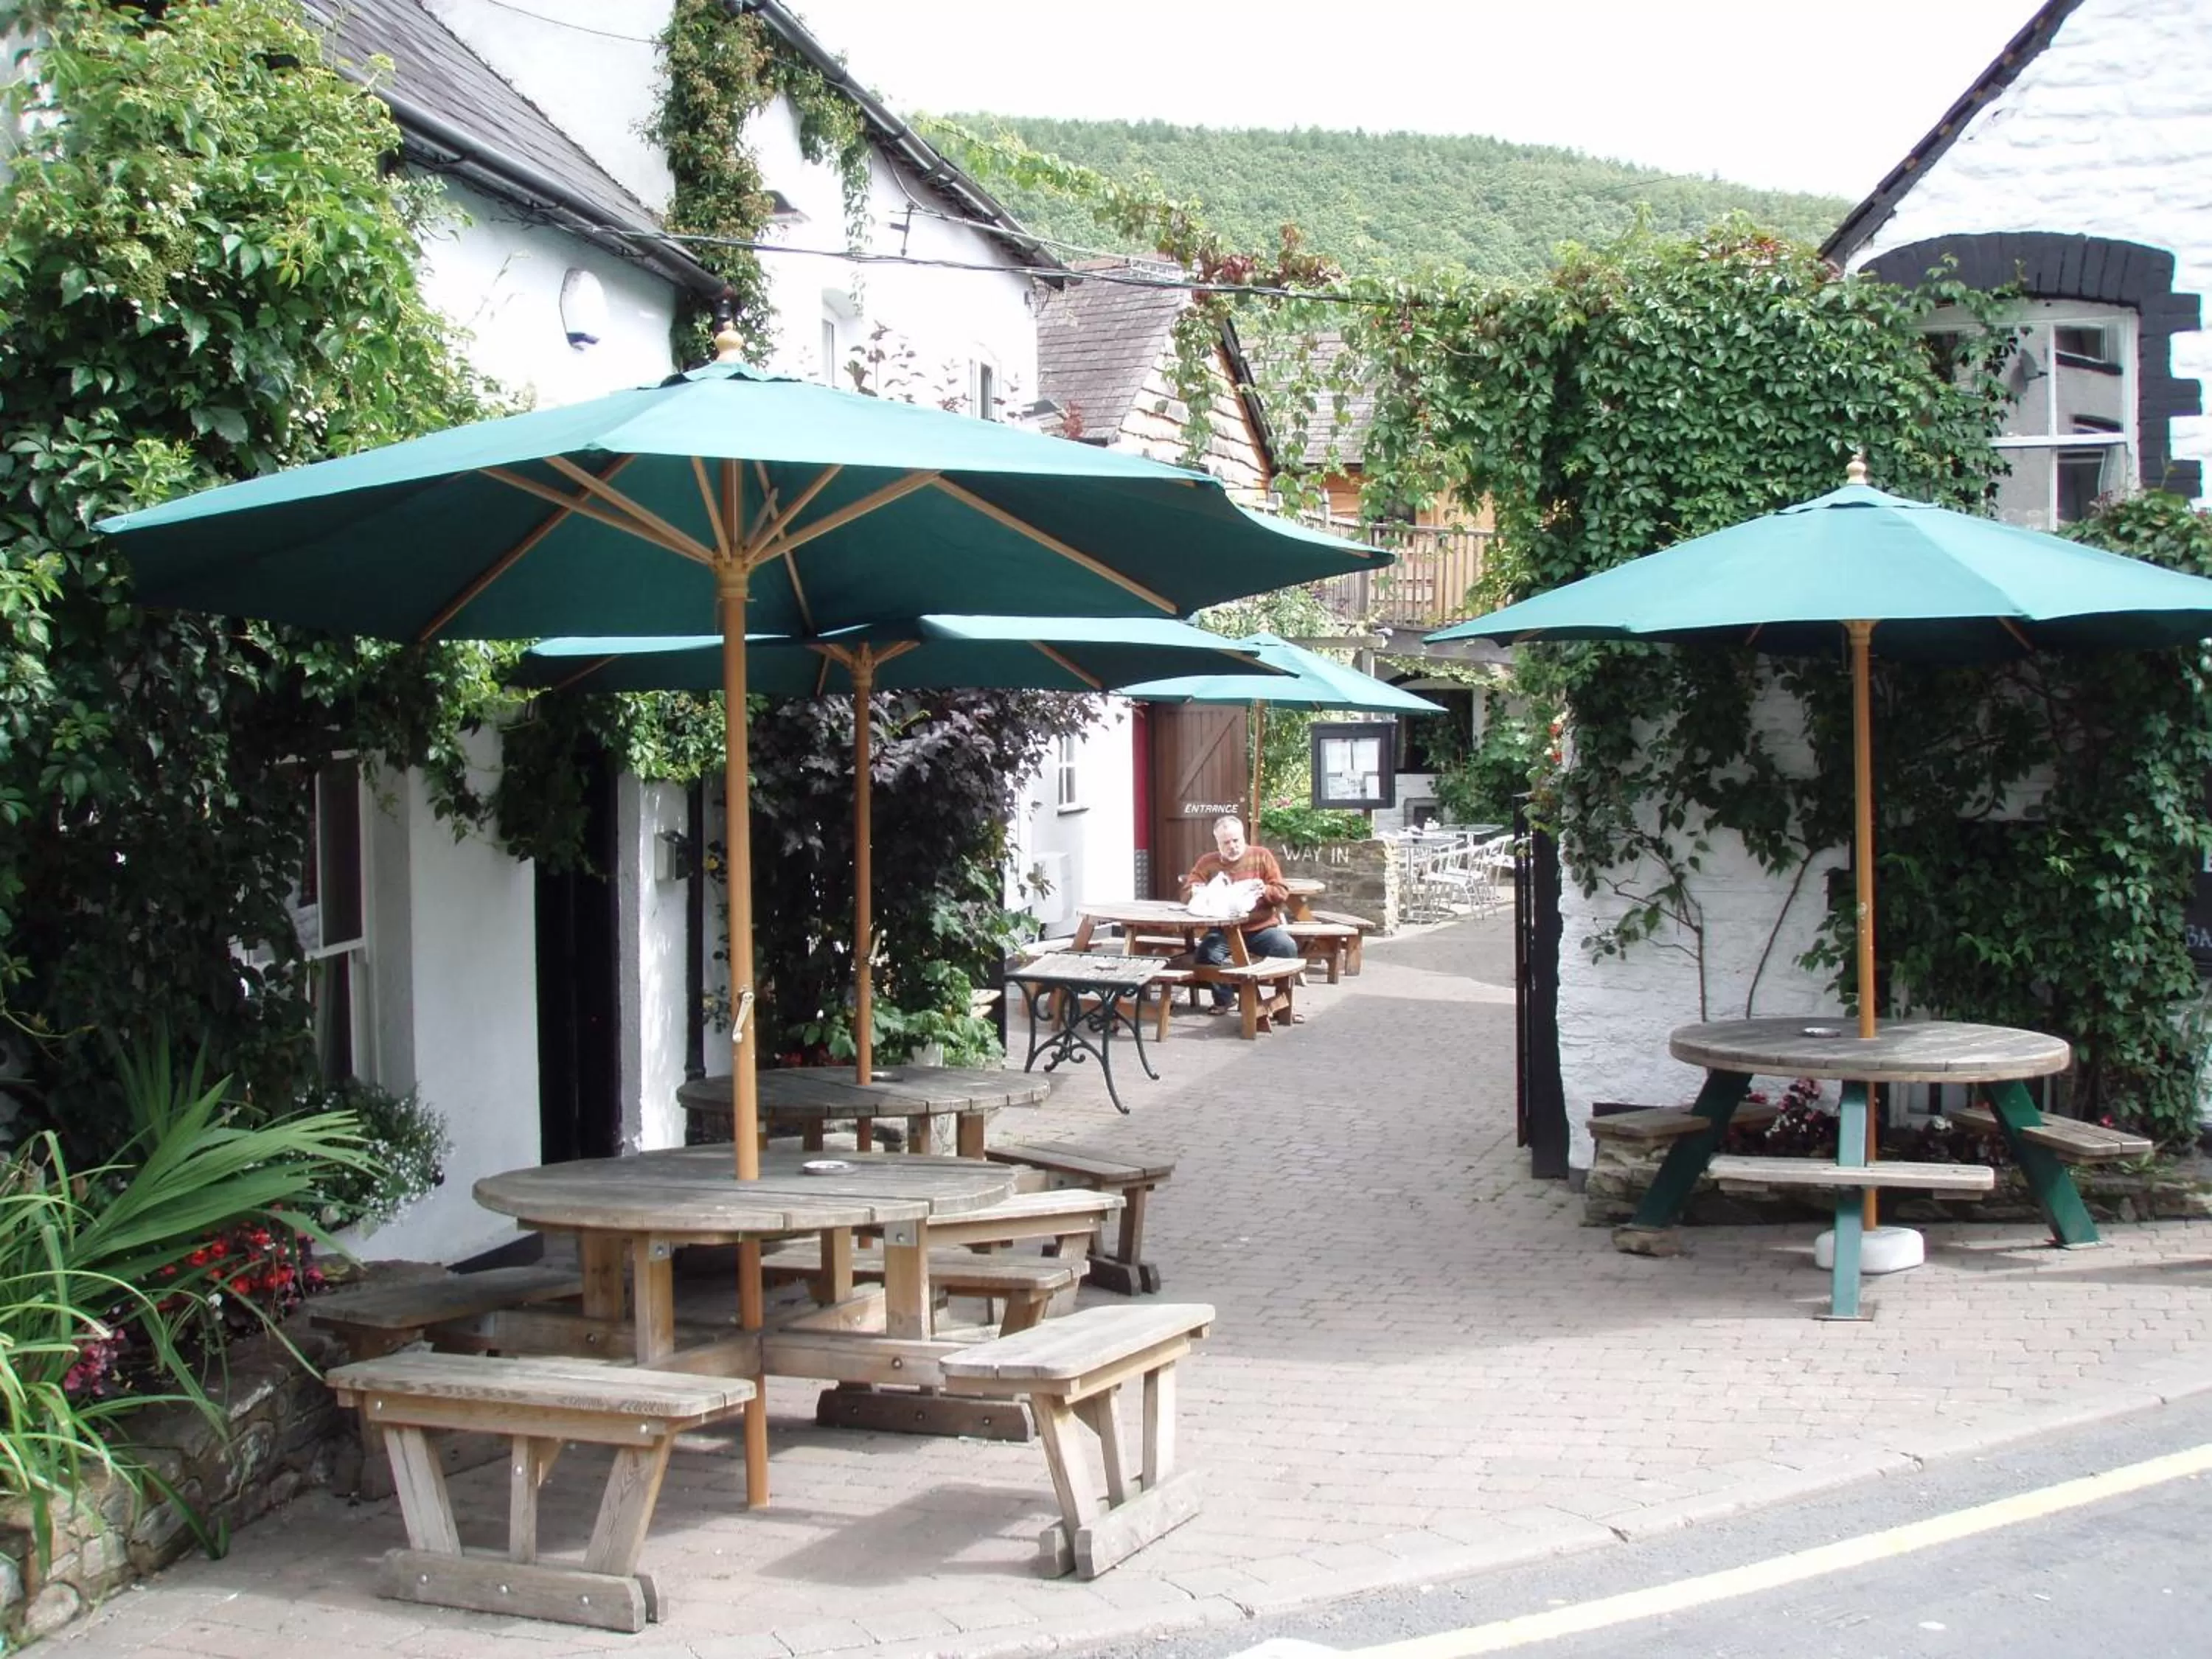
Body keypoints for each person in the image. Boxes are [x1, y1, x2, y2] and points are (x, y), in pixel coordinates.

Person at [1181, 814, 1303, 1014]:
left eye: (1236, 840)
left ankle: (1284, 1003)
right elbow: (1186, 894)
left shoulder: (1262, 856)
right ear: (1217, 842)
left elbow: (1281, 892)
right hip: (1223, 931)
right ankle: (1225, 999)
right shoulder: (1207, 862)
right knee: (1206, 954)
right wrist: (1198, 891)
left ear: (1243, 837)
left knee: (1286, 947)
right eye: (1225, 842)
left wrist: (1265, 890)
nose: (1232, 846)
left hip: (1261, 928)